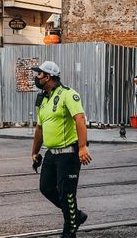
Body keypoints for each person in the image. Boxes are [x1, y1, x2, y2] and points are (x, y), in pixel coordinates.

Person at [30, 61, 92, 238]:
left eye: (39, 74)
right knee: (46, 188)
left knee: (67, 195)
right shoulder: (43, 100)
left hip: (68, 154)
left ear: (48, 77)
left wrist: (82, 147)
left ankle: (70, 231)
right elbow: (40, 128)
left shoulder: (68, 94)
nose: (37, 77)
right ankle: (76, 215)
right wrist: (34, 152)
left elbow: (80, 119)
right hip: (51, 154)